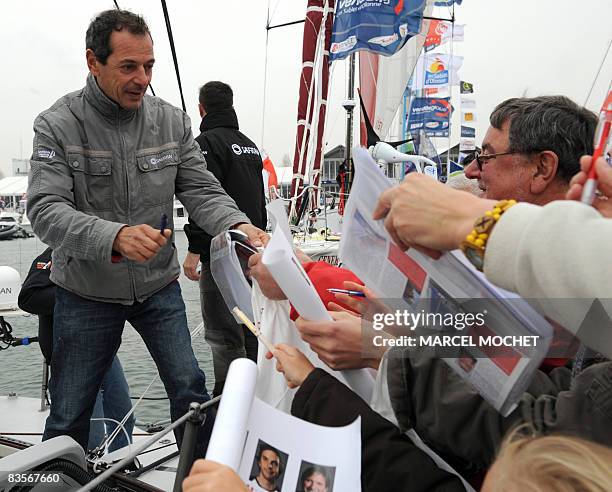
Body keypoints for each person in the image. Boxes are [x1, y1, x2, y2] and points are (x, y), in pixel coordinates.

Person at [26, 9, 266, 456]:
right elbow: (44, 210)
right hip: (85, 291)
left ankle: (199, 483)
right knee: (70, 411)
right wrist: (114, 237)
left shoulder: (172, 122)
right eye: (128, 66)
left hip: (159, 286)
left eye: (149, 66)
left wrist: (239, 225)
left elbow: (200, 188)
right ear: (92, 62)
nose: (142, 78)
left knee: (190, 394)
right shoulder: (56, 124)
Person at [183, 81, 267, 396]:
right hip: (250, 251)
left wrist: (195, 248)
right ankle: (260, 393)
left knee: (222, 335)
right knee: (251, 330)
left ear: (201, 108)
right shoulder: (249, 145)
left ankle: (228, 400)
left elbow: (202, 198)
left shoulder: (205, 144)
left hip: (220, 254)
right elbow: (258, 201)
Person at [17, 248, 135, 452]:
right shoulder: (51, 256)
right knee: (91, 430)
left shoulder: (102, 255)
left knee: (123, 414)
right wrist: (78, 292)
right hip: (70, 357)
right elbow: (28, 298)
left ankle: (120, 465)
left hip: (105, 352)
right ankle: (76, 473)